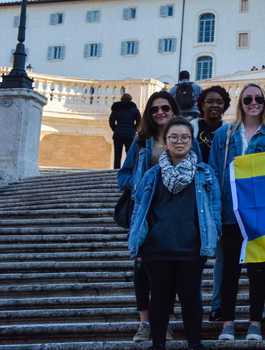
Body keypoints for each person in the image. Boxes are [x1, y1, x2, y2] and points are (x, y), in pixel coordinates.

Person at [128, 118, 221, 350]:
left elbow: (215, 206)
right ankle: (158, 344)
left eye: (184, 137)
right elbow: (139, 209)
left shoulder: (205, 173)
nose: (179, 142)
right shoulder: (152, 174)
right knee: (159, 299)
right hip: (156, 248)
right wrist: (138, 243)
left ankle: (194, 344)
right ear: (166, 141)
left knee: (191, 299)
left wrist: (213, 233)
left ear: (191, 141)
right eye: (173, 137)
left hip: (191, 248)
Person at [208, 83, 265, 341]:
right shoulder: (224, 134)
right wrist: (215, 213)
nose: (253, 103)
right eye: (248, 99)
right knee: (229, 269)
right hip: (231, 212)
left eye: (258, 99)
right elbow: (214, 172)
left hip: (261, 213)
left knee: (258, 270)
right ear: (240, 103)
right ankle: (227, 323)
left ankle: (255, 323)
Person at [118, 91, 189, 343]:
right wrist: (139, 184)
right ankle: (145, 324)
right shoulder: (141, 142)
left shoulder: (183, 137)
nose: (160, 112)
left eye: (165, 108)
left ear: (173, 110)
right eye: (155, 109)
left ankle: (162, 323)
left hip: (175, 212)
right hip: (146, 211)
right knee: (141, 269)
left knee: (166, 271)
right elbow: (122, 176)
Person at [189, 86, 230, 322]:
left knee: (222, 257)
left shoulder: (229, 131)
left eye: (219, 102)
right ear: (201, 104)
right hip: (194, 196)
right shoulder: (190, 129)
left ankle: (217, 304)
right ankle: (192, 306)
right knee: (193, 259)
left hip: (219, 198)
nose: (215, 106)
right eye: (210, 102)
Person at [110, 93, 141, 169]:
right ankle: (129, 169)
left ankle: (116, 169)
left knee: (117, 154)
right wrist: (134, 128)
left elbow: (111, 121)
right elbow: (139, 121)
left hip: (118, 134)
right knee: (129, 153)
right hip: (130, 134)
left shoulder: (116, 109)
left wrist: (116, 129)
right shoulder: (134, 109)